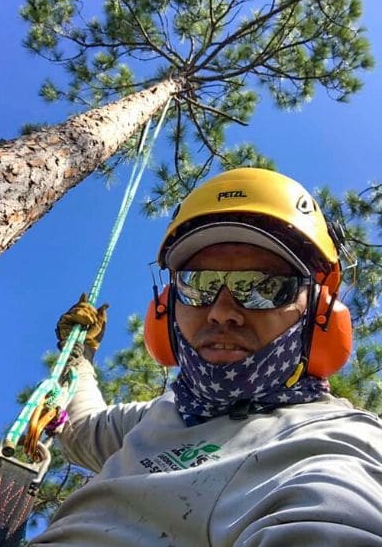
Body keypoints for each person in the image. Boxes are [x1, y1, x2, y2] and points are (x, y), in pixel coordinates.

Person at [29, 168, 382, 547]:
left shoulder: (337, 437)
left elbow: (336, 515)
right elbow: (82, 429)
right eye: (199, 284)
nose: (221, 311)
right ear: (166, 307)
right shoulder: (158, 416)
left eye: (265, 286)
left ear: (319, 312)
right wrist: (79, 356)